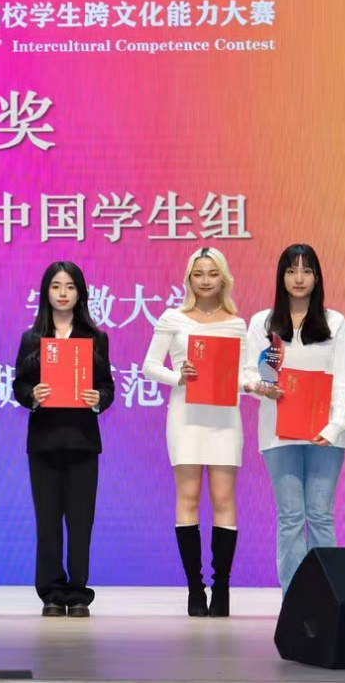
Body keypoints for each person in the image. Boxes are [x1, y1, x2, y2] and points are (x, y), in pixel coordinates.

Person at [143, 247, 247, 617]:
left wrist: (255, 385)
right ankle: (194, 588)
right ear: (189, 278)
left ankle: (222, 587)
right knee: (187, 498)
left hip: (224, 419)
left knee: (223, 499)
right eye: (198, 274)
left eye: (212, 273)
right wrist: (179, 377)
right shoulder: (172, 318)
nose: (205, 281)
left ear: (224, 278)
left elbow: (243, 374)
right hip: (185, 418)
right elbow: (150, 365)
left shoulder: (237, 324)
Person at [242, 245, 345, 595]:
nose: (299, 278)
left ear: (317, 277)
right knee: (290, 517)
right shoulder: (263, 322)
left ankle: (328, 595)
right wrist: (259, 387)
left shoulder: (334, 322)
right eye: (291, 271)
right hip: (278, 434)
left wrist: (335, 426)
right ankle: (294, 597)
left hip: (325, 435)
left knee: (320, 514)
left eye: (306, 271)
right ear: (281, 277)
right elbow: (247, 373)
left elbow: (343, 378)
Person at [13, 261, 115, 617]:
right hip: (44, 442)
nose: (62, 293)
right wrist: (33, 395)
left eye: (70, 287)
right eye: (56, 286)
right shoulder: (32, 337)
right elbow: (19, 385)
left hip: (82, 442)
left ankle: (78, 592)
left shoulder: (96, 337)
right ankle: (52, 593)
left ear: (80, 293)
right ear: (46, 292)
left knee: (80, 521)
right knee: (48, 522)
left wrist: (98, 399)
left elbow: (107, 386)